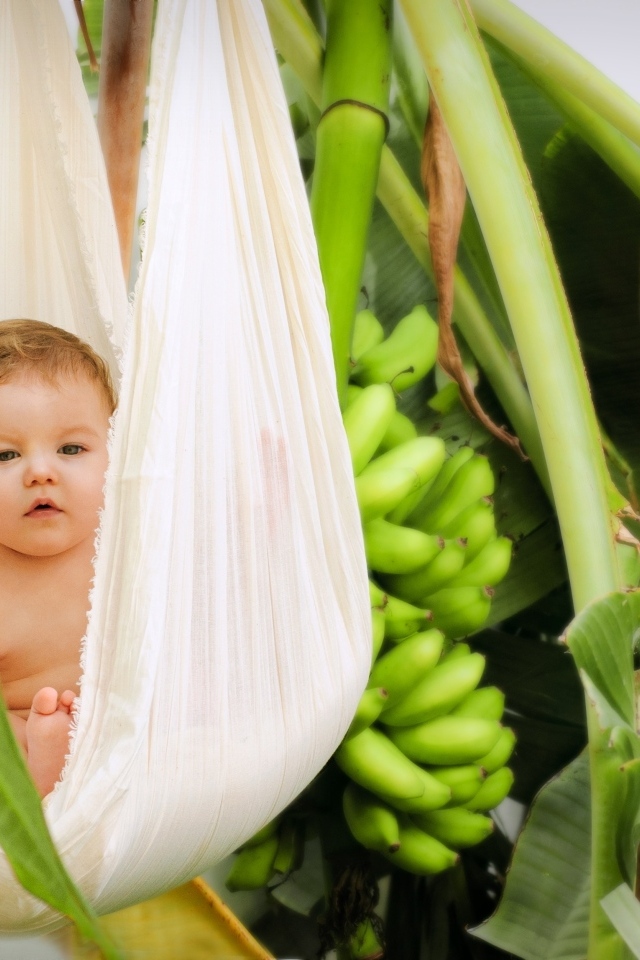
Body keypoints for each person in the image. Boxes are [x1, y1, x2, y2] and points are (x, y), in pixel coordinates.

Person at [0, 319, 115, 798]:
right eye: (5, 456)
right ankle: (42, 770)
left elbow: (216, 555)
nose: (40, 472)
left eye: (71, 448)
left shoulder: (126, 530)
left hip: (122, 719)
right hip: (23, 723)